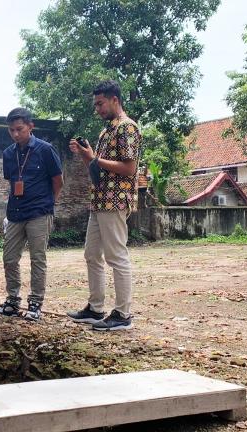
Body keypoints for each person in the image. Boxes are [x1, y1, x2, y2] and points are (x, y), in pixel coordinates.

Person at [65, 80, 141, 331]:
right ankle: (96, 308)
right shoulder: (107, 131)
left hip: (115, 200)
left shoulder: (127, 128)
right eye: (95, 104)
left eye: (100, 103)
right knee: (91, 254)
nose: (97, 109)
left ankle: (123, 314)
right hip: (99, 200)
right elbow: (98, 167)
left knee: (116, 256)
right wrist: (87, 157)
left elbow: (129, 169)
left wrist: (94, 158)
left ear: (114, 100)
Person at [0, 108, 63, 322]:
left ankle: (35, 303)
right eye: (11, 130)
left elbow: (58, 181)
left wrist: (49, 204)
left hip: (39, 212)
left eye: (19, 129)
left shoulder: (46, 150)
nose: (15, 134)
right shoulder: (8, 154)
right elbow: (12, 182)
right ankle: (13, 301)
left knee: (37, 258)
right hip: (15, 212)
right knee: (9, 258)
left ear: (31, 127)